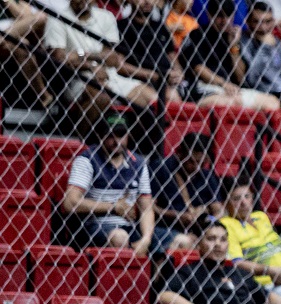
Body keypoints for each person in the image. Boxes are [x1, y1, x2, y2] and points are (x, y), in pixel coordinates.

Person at [63, 113, 191, 253]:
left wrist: (146, 239)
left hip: (130, 227)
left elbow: (146, 208)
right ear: (101, 136)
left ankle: (156, 275)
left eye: (121, 135)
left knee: (183, 241)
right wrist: (113, 207)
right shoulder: (87, 160)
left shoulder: (138, 163)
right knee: (120, 237)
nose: (117, 141)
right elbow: (70, 203)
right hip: (94, 226)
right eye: (111, 135)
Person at [44, 0, 159, 122]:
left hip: (110, 75)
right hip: (75, 79)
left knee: (152, 98)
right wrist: (91, 66)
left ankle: (133, 139)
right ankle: (84, 140)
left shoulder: (106, 16)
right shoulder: (57, 17)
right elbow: (59, 58)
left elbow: (112, 59)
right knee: (102, 95)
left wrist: (80, 54)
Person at [158, 219, 281, 304]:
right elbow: (165, 296)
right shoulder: (190, 272)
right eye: (211, 239)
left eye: (223, 240)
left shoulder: (240, 274)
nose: (218, 244)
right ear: (199, 244)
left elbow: (268, 298)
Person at [179, 0, 280, 110]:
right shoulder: (197, 34)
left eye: (228, 16)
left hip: (232, 89)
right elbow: (198, 69)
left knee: (272, 103)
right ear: (209, 15)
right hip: (204, 87)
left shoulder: (234, 37)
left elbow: (240, 77)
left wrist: (234, 46)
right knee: (227, 103)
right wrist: (223, 84)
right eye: (219, 16)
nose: (224, 21)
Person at [218, 177, 281, 298]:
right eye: (236, 199)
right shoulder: (226, 224)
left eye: (247, 196)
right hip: (269, 283)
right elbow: (235, 262)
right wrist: (268, 270)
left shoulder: (261, 217)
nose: (244, 203)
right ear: (225, 203)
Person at [151, 132, 223, 236]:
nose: (196, 167)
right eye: (191, 162)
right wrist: (176, 216)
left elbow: (218, 210)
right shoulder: (161, 168)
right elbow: (148, 206)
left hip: (198, 231)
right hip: (165, 227)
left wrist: (207, 218)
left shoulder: (206, 175)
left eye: (201, 163)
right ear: (180, 154)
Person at [239, 1, 281, 110]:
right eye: (258, 22)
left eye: (268, 21)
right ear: (248, 22)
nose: (263, 27)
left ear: (273, 21)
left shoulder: (274, 41)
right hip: (262, 90)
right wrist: (264, 46)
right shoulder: (244, 42)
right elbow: (252, 76)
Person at [116, 0, 183, 103]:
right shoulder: (122, 27)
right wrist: (155, 76)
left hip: (169, 81)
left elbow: (172, 55)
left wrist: (178, 73)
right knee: (171, 97)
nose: (147, 1)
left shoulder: (160, 26)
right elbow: (119, 65)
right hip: (140, 81)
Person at [0, 0, 52, 108]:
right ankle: (43, 95)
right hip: (8, 33)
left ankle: (43, 96)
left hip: (10, 35)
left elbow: (24, 16)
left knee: (22, 44)